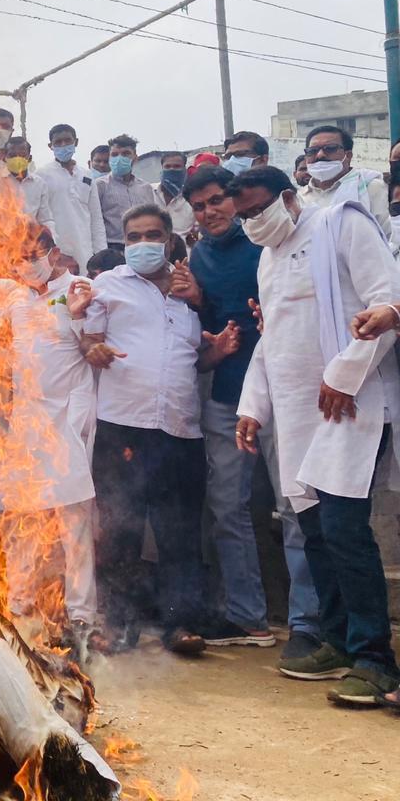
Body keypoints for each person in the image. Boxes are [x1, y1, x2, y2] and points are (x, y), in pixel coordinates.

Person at [230, 166, 400, 706]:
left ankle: (376, 659)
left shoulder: (339, 225)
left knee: (346, 529)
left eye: (258, 209)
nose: (252, 222)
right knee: (314, 530)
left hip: (350, 405)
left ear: (287, 196)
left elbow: (385, 307)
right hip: (298, 416)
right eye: (243, 216)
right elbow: (271, 339)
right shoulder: (266, 258)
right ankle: (337, 639)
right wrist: (252, 406)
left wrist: (343, 375)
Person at [81, 204, 240, 656]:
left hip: (179, 428)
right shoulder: (108, 285)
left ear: (170, 241)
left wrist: (219, 352)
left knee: (180, 532)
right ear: (124, 243)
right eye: (133, 237)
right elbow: (87, 338)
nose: (142, 243)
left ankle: (180, 625)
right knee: (118, 532)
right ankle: (118, 625)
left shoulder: (191, 293)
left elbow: (193, 359)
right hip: (123, 426)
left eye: (152, 235)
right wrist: (94, 350)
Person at [180, 167, 297, 651]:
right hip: (228, 398)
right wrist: (202, 308)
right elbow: (204, 334)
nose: (209, 213)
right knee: (227, 508)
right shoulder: (198, 257)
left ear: (236, 199)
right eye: (199, 207)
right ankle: (249, 618)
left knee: (296, 507)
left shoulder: (271, 245)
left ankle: (314, 625)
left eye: (216, 201)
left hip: (286, 395)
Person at [0, 227, 99, 653]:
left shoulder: (77, 289)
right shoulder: (11, 300)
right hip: (26, 423)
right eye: (18, 255)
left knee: (74, 525)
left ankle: (81, 617)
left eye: (33, 253)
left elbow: (92, 346)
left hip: (68, 420)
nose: (26, 261)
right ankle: (18, 607)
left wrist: (78, 316)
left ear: (53, 253)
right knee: (20, 521)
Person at [297, 124, 390, 240]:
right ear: (306, 158)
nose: (320, 155)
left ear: (348, 156)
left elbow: (390, 238)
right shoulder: (299, 198)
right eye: (312, 151)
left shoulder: (370, 187)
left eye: (330, 148)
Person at [35, 123, 105, 268]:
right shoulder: (41, 175)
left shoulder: (87, 175)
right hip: (56, 251)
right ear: (50, 146)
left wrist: (101, 253)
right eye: (58, 142)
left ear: (76, 142)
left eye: (67, 140)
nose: (63, 145)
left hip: (86, 251)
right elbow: (40, 218)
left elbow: (96, 217)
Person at [0, 135, 54, 233]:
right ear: (5, 158)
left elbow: (45, 219)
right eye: (12, 155)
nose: (17, 159)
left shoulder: (39, 184)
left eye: (22, 155)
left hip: (29, 243)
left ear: (29, 158)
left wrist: (50, 238)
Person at [95, 134, 154, 250]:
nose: (119, 158)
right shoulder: (100, 185)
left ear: (135, 158)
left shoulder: (146, 188)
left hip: (141, 246)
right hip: (112, 246)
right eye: (115, 155)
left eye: (126, 154)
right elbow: (95, 222)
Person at [152, 151, 193, 238]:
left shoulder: (192, 196)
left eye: (177, 166)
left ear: (184, 169)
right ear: (162, 169)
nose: (171, 169)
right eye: (167, 166)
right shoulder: (149, 192)